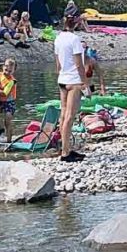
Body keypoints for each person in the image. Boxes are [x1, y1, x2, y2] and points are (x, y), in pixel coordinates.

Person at [54, 12, 87, 163]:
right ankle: (66, 153)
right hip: (74, 81)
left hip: (62, 79)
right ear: (76, 22)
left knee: (63, 116)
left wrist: (61, 75)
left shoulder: (58, 38)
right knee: (69, 116)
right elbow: (79, 65)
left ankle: (65, 148)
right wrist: (85, 83)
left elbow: (58, 64)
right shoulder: (75, 39)